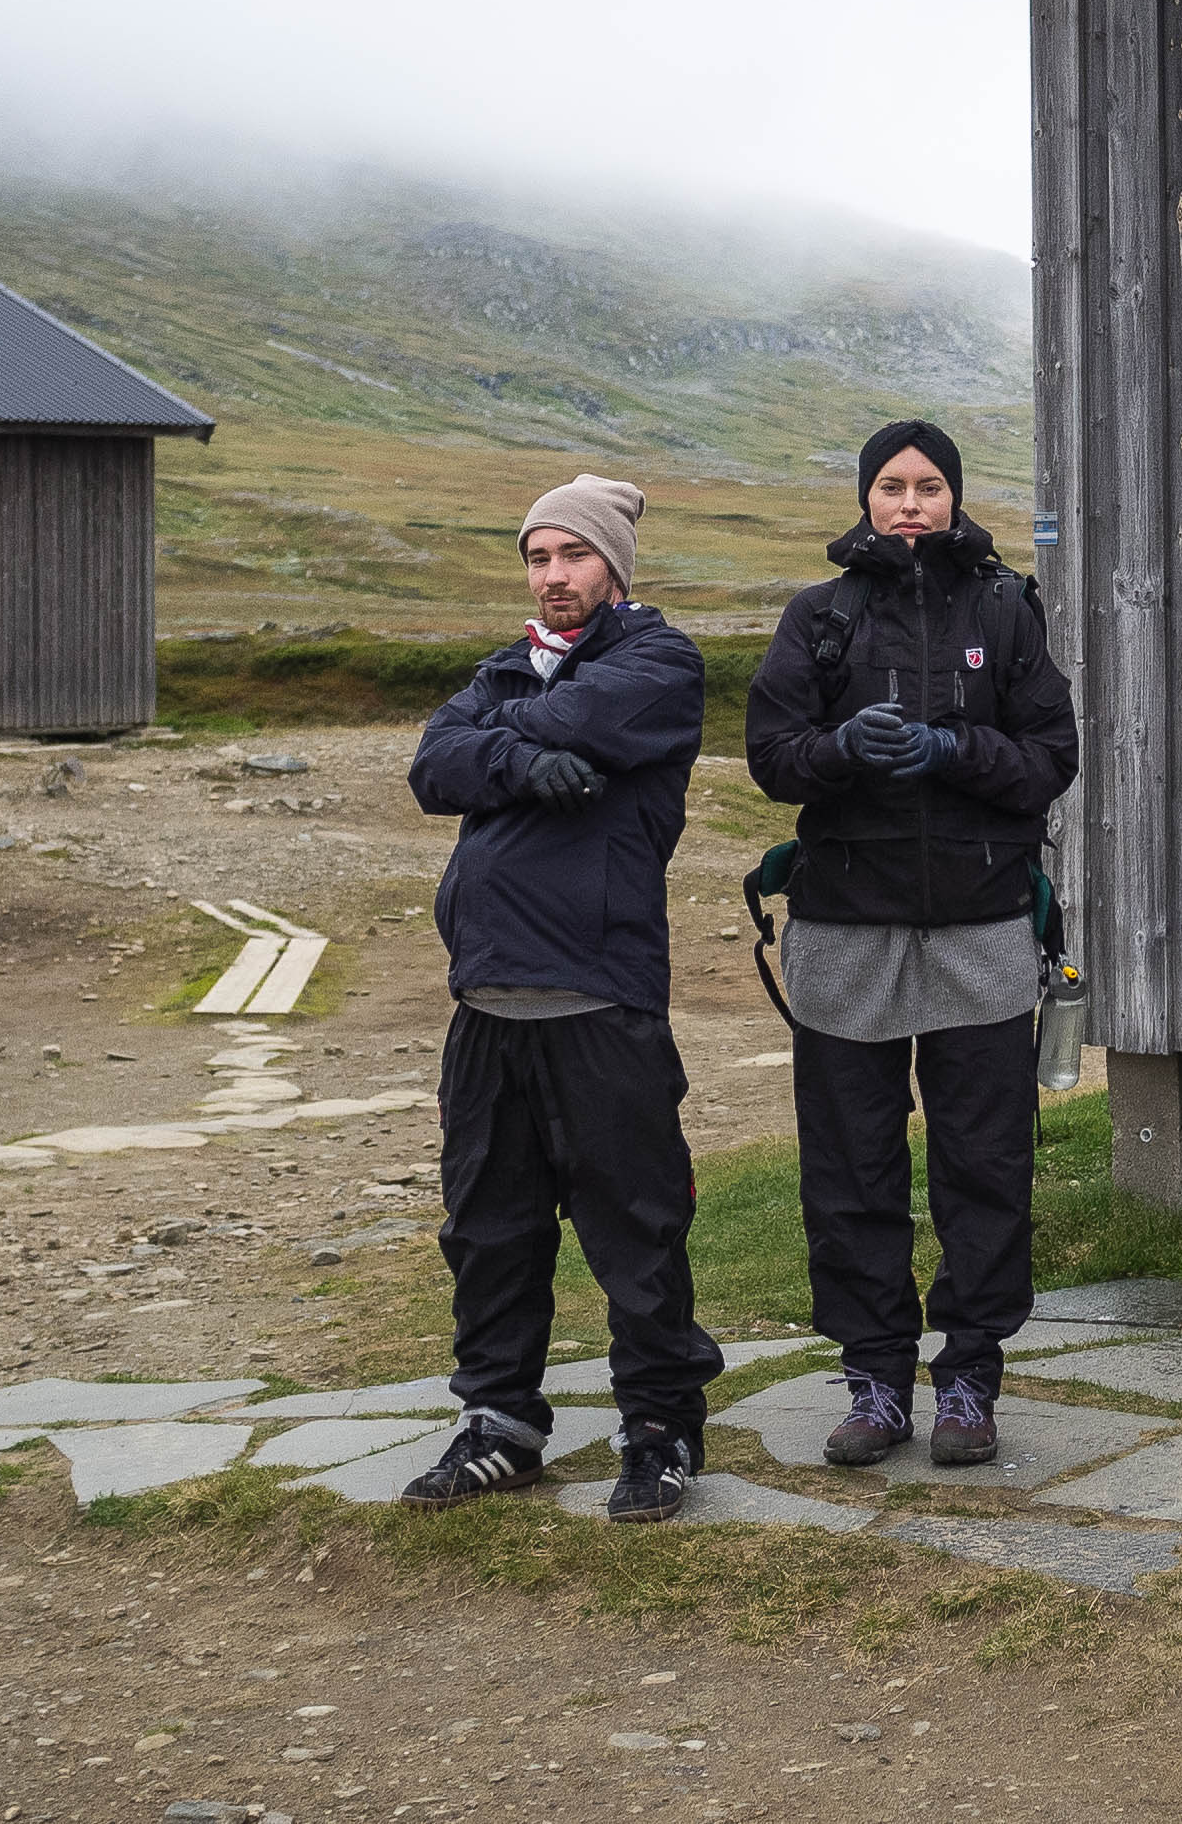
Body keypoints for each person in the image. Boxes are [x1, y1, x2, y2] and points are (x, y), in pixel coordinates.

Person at [744, 420, 1077, 1469]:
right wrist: (840, 750)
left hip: (978, 928)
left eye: (928, 485)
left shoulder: (1004, 609)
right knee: (852, 1164)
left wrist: (951, 746)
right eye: (891, 485)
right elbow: (771, 755)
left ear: (953, 497)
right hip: (845, 930)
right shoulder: (821, 615)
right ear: (864, 500)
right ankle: (877, 1378)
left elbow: (1049, 758)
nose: (910, 503)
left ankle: (970, 1376)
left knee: (984, 1161)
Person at [401, 473, 720, 1522]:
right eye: (536, 558)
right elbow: (431, 765)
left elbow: (574, 719)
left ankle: (660, 1427)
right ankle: (501, 1424)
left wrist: (504, 744)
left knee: (634, 1230)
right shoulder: (504, 669)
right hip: (484, 1005)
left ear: (612, 565)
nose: (552, 576)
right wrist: (517, 759)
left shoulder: (659, 661)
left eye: (571, 555)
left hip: (598, 1000)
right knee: (488, 1231)